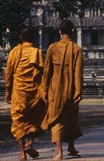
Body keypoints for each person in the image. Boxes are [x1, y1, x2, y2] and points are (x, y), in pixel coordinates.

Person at [42, 19, 83, 160]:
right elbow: (78, 72)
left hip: (55, 91)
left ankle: (59, 152)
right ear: (73, 31)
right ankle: (71, 146)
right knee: (71, 118)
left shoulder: (52, 48)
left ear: (59, 32)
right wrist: (78, 91)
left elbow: (47, 72)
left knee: (56, 120)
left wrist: (44, 89)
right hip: (71, 91)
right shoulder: (77, 49)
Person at [4, 27, 46, 160]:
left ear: (20, 38)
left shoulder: (14, 52)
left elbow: (9, 73)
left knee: (19, 120)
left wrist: (8, 90)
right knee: (34, 117)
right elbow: (45, 73)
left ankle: (22, 153)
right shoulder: (37, 52)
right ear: (33, 38)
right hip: (34, 93)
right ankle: (30, 143)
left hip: (19, 92)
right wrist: (45, 91)